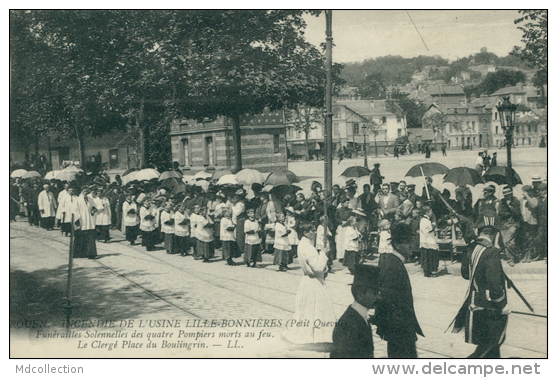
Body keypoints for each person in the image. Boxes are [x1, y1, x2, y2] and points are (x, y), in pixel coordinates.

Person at [452, 226, 510, 358]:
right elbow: (494, 284)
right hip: (488, 307)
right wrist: (502, 305)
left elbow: (466, 274)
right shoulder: (491, 251)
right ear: (495, 236)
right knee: (491, 342)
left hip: (473, 303)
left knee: (490, 347)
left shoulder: (471, 248)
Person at [375, 222, 424, 358]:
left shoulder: (394, 262)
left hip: (400, 328)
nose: (411, 246)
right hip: (400, 329)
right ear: (397, 244)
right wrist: (403, 330)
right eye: (408, 242)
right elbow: (389, 300)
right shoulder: (393, 265)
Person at [282, 222, 336, 346]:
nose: (314, 232)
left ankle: (311, 336)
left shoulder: (303, 244)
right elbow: (318, 267)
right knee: (318, 309)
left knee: (307, 310)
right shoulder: (308, 247)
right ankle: (317, 338)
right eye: (311, 230)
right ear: (305, 233)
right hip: (314, 282)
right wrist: (323, 253)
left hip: (307, 281)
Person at [330, 265, 380, 358]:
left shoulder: (361, 317)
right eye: (375, 293)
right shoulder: (348, 325)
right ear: (360, 294)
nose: (379, 297)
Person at [497, 186, 522, 266]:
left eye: (508, 193)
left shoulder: (516, 201)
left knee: (508, 241)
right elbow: (501, 213)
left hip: (513, 223)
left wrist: (510, 207)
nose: (506, 195)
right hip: (504, 224)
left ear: (511, 193)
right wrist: (508, 213)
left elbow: (517, 213)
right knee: (506, 242)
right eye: (504, 194)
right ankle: (513, 257)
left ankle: (513, 257)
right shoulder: (501, 202)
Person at [73, 186, 98, 259]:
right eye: (84, 191)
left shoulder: (90, 199)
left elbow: (94, 207)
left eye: (87, 191)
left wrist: (94, 210)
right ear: (81, 191)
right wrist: (77, 221)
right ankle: (80, 254)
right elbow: (75, 211)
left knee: (90, 237)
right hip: (82, 221)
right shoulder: (77, 200)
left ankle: (91, 254)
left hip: (89, 221)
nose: (86, 192)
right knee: (80, 237)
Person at [519, 185, 538, 263]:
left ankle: (529, 255)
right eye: (523, 191)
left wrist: (527, 196)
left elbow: (535, 205)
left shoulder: (533, 199)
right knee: (524, 239)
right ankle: (525, 255)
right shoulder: (520, 200)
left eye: (526, 191)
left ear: (529, 191)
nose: (524, 193)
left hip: (531, 221)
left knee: (530, 239)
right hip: (523, 222)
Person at [419, 205, 439, 277]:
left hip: (429, 239)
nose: (432, 212)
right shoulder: (424, 220)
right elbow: (428, 230)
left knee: (430, 256)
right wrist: (433, 225)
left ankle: (430, 271)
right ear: (427, 212)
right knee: (428, 256)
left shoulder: (427, 220)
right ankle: (427, 272)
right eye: (430, 211)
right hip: (427, 241)